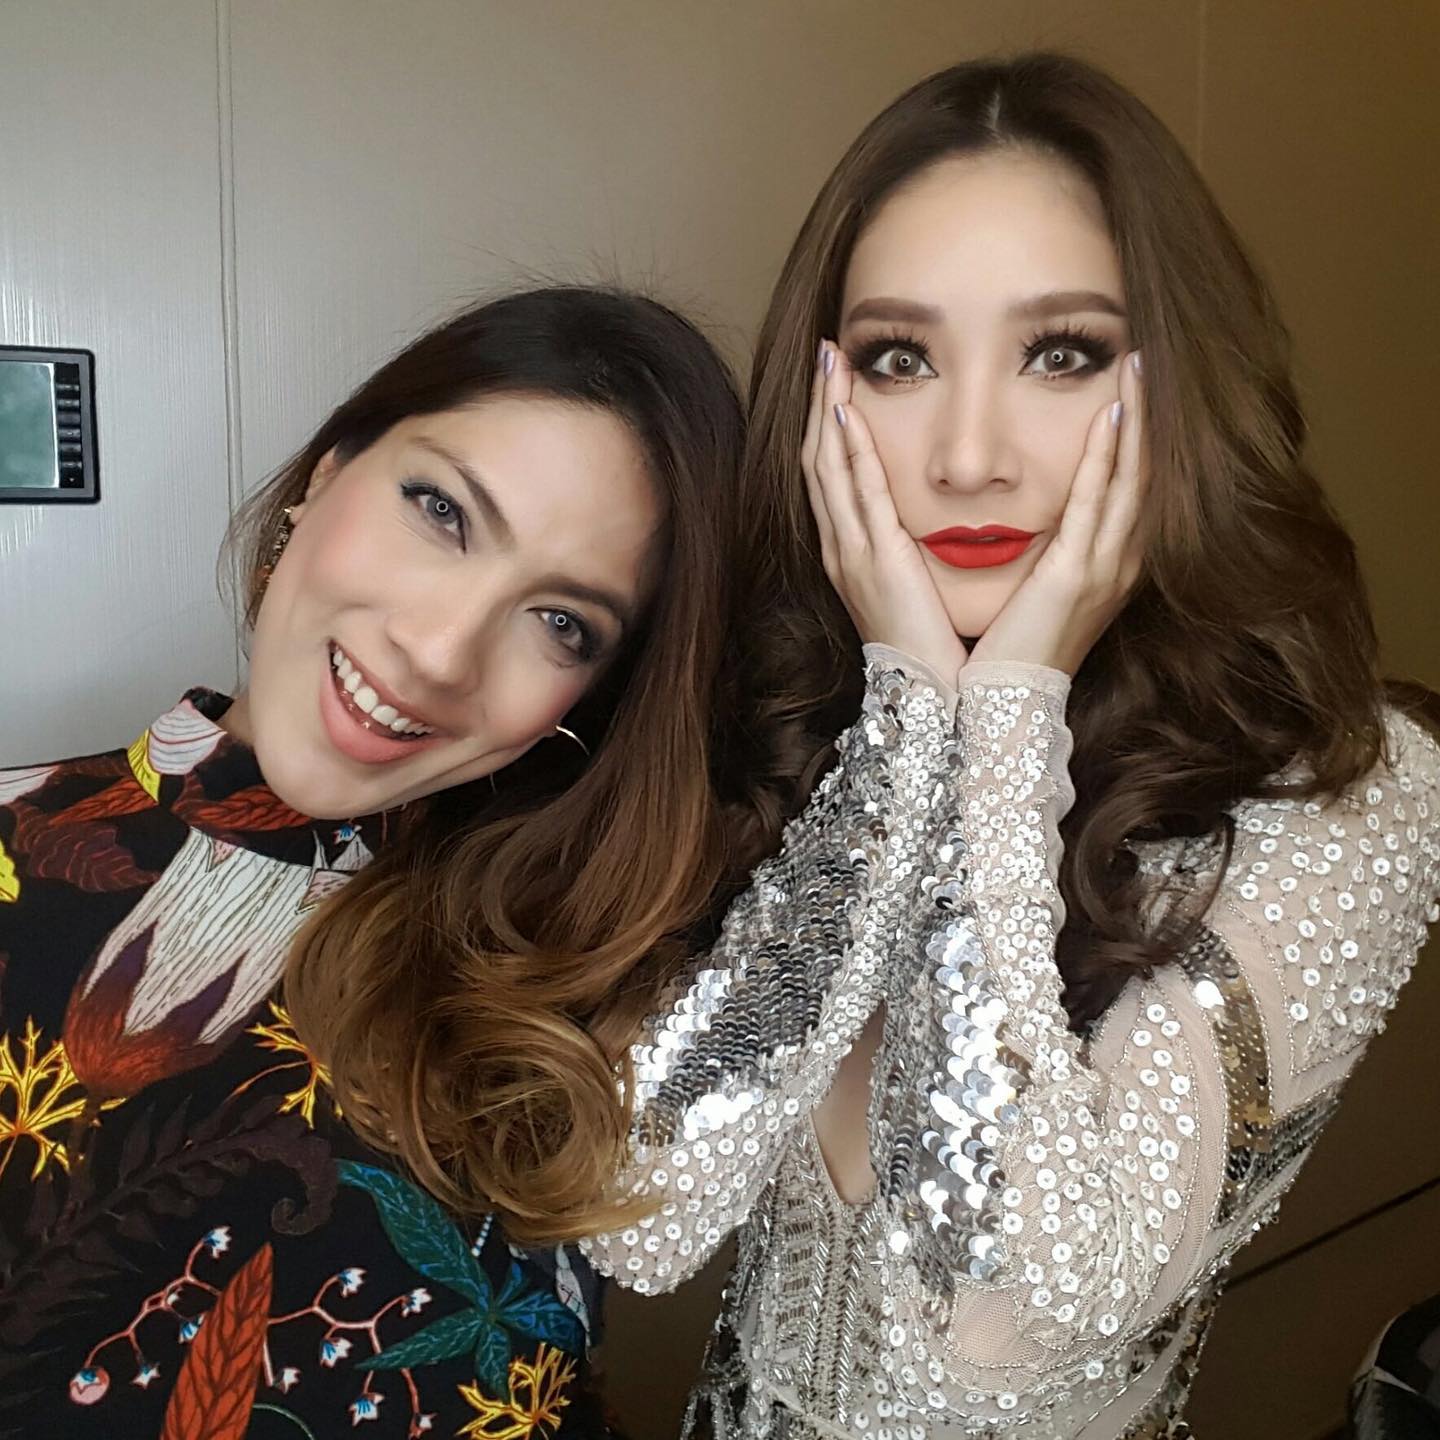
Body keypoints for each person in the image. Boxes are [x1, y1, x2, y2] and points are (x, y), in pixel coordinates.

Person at [583, 55, 1440, 1438]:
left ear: (1181, 386)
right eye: (899, 358)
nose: (968, 454)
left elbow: (996, 1331)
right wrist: (907, 718)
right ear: (825, 397)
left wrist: (1009, 709)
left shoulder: (1350, 793)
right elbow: (640, 1209)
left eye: (1062, 353)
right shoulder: (782, 712)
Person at [0, 285, 753, 1438]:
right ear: (324, 475)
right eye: (442, 512)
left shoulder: (591, 972)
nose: (441, 653)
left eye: (563, 623)